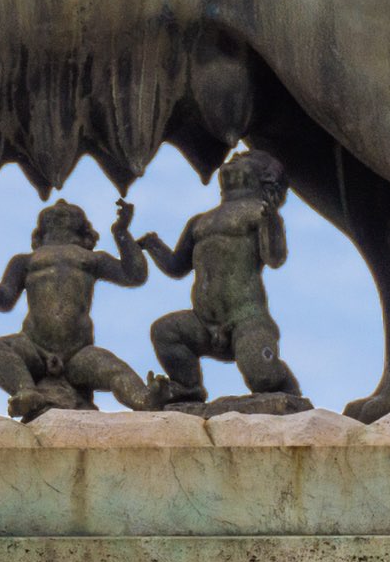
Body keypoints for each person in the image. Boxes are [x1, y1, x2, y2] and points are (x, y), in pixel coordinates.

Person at [128, 147, 304, 408]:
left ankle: (288, 390)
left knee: (262, 376)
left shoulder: (259, 213)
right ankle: (188, 387)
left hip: (246, 320)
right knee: (165, 331)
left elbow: (274, 258)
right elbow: (178, 266)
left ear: (263, 176)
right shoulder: (200, 221)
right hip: (202, 324)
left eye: (243, 159)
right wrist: (154, 246)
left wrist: (271, 224)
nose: (233, 160)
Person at [0, 198, 153, 417]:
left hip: (78, 353)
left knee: (114, 369)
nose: (60, 205)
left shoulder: (92, 258)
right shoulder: (25, 261)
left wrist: (121, 231)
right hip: (34, 347)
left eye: (68, 212)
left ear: (85, 232)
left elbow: (135, 275)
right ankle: (27, 392)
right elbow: (3, 299)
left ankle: (145, 399)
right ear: (40, 233)